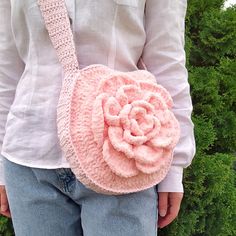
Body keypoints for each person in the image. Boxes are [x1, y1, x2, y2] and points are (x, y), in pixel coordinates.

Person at [0, 0, 196, 235]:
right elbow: (7, 69)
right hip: (28, 162)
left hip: (122, 161)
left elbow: (168, 62)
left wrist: (174, 167)